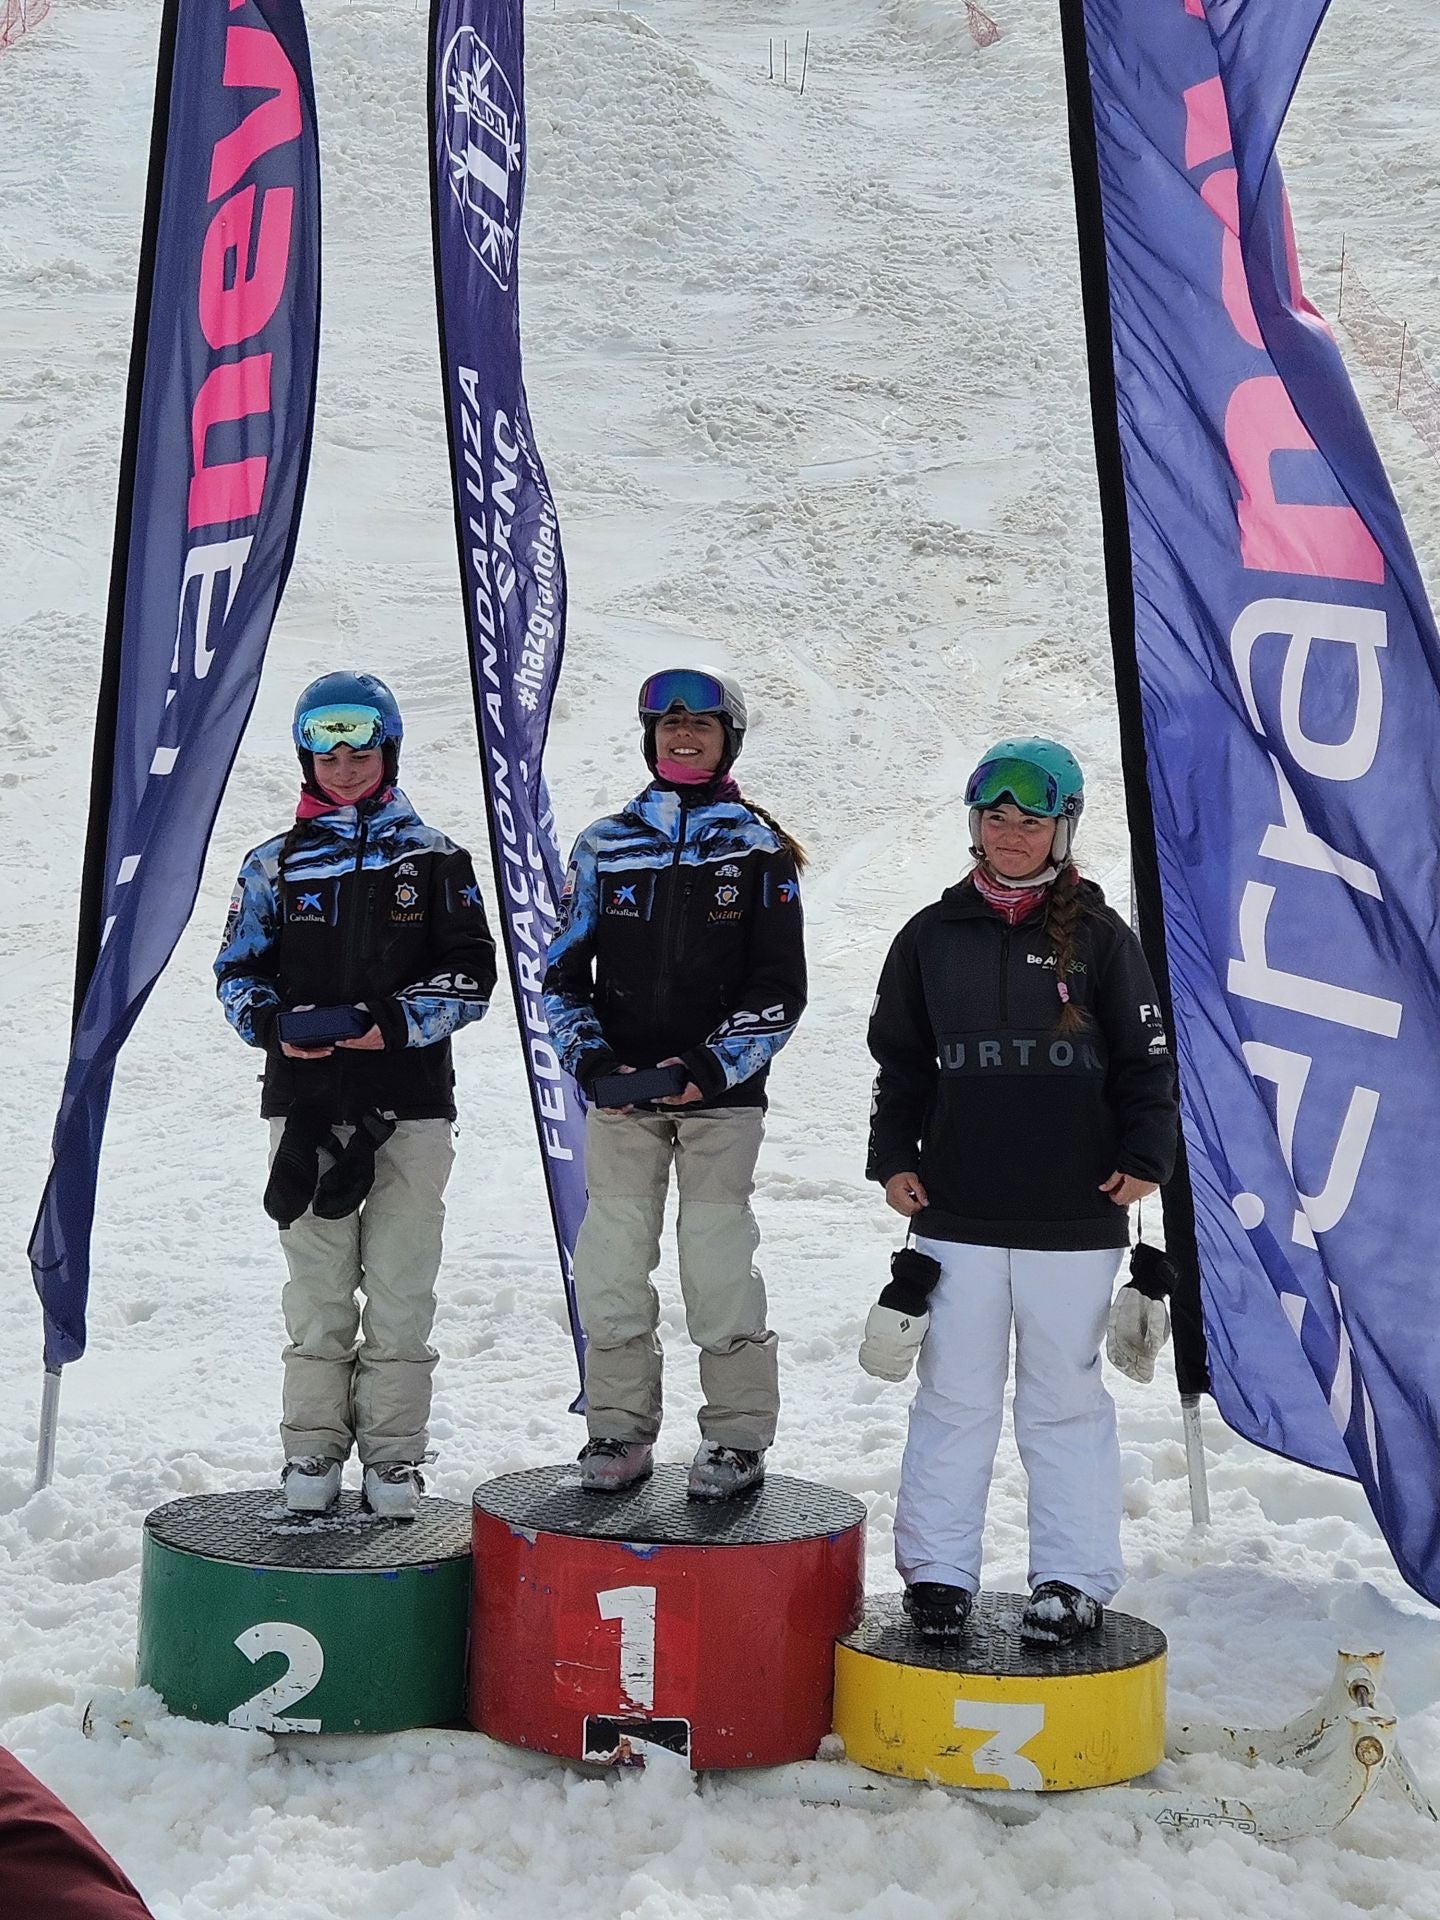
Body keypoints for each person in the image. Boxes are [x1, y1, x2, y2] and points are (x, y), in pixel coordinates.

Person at [863, 737, 1178, 1645]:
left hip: (1074, 1214)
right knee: (952, 1396)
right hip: (955, 1212)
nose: (1010, 833)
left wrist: (1147, 1155)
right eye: (995, 816)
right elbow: (899, 1064)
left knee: (1063, 1401)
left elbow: (1147, 1064)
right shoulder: (930, 937)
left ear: (1062, 830)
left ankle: (1071, 1579)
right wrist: (893, 1155)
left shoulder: (1104, 940)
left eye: (1030, 820)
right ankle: (936, 1575)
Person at [216, 672, 496, 1519]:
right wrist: (275, 1025)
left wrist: (390, 1023)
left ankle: (395, 1456)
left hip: (409, 1109)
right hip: (305, 1107)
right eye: (326, 752)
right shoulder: (273, 864)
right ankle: (311, 1449)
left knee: (402, 1288)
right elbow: (237, 972)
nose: (343, 767)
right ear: (306, 758)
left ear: (389, 750)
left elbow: (472, 975)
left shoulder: (436, 859)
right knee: (318, 1290)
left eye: (360, 749)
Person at [543, 667, 807, 1500]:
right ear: (649, 736)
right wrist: (592, 1061)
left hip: (719, 1103)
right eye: (668, 723)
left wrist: (706, 1069)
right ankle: (618, 1428)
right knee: (612, 1264)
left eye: (701, 724)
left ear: (729, 739)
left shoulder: (757, 850)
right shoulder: (605, 845)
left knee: (716, 1264)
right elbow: (561, 977)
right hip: (624, 1100)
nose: (683, 735)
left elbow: (780, 990)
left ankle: (735, 1436)